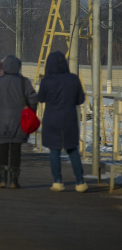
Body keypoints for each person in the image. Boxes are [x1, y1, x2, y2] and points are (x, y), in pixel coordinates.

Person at [37, 51, 87, 192]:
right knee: (72, 150)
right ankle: (80, 182)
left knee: (54, 151)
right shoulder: (73, 79)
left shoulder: (47, 80)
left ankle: (57, 182)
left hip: (52, 119)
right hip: (69, 119)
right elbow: (80, 100)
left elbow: (40, 98)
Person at [0, 55, 37, 189]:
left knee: (2, 150)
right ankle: (14, 180)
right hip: (19, 119)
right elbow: (33, 99)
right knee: (16, 149)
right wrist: (31, 113)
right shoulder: (24, 82)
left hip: (1, 119)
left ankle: (2, 179)